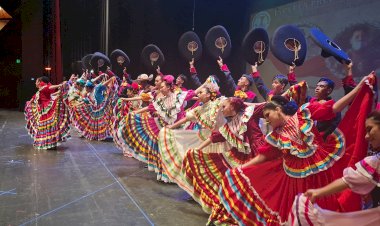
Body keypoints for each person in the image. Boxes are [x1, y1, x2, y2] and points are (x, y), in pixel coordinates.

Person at [217, 72, 376, 226]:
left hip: (319, 172)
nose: (267, 121)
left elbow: (334, 108)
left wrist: (360, 87)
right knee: (294, 212)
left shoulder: (303, 113)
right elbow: (263, 156)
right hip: (293, 180)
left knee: (323, 206)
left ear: (278, 110)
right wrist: (240, 169)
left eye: (268, 115)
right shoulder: (275, 136)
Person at [182, 97, 266, 225]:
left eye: (224, 107)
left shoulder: (250, 112)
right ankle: (236, 213)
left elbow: (268, 106)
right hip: (242, 155)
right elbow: (216, 137)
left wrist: (290, 92)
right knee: (237, 184)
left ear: (232, 106)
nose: (221, 110)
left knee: (257, 187)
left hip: (259, 153)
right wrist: (197, 149)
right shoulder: (230, 125)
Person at [288, 110, 380, 226]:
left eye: (370, 129)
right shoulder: (375, 161)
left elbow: (333, 108)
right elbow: (349, 180)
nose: (366, 136)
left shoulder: (375, 161)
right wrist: (318, 193)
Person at [158, 77, 224, 191]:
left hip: (219, 141)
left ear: (208, 95)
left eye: (201, 92)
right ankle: (201, 190)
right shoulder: (200, 108)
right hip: (205, 138)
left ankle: (215, 191)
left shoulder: (218, 103)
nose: (199, 94)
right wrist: (171, 127)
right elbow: (186, 119)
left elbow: (236, 104)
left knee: (215, 169)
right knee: (201, 166)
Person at [25, 76, 70, 150]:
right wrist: (30, 102)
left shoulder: (44, 87)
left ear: (40, 82)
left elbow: (50, 87)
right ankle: (51, 143)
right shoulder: (40, 89)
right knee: (48, 127)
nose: (35, 82)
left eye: (36, 81)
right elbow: (35, 97)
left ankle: (51, 143)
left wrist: (60, 85)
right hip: (43, 110)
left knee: (48, 127)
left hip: (47, 110)